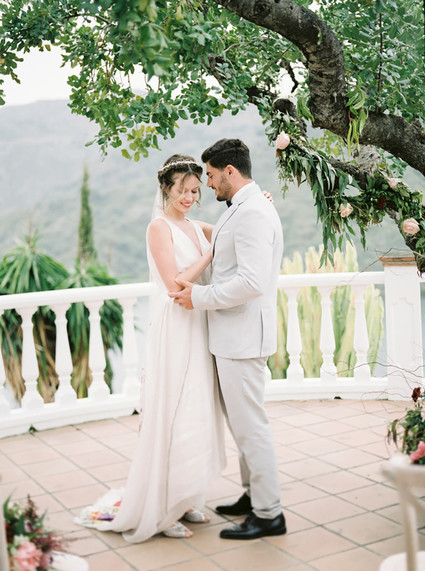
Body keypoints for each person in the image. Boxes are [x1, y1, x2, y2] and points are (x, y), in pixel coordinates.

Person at [75, 154, 226, 541]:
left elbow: (232, 226)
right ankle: (162, 507)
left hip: (198, 324)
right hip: (174, 327)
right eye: (183, 190)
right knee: (173, 411)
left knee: (195, 409)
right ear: (166, 189)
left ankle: (186, 496)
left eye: (195, 191)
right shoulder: (159, 227)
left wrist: (254, 201)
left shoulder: (195, 226)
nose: (189, 198)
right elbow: (174, 283)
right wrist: (209, 255)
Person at [169, 138, 286, 540]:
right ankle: (254, 495)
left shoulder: (253, 213)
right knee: (242, 426)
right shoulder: (243, 208)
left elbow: (252, 282)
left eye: (212, 176)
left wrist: (199, 297)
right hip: (233, 337)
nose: (209, 184)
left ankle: (269, 513)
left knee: (251, 427)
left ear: (230, 172)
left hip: (243, 338)